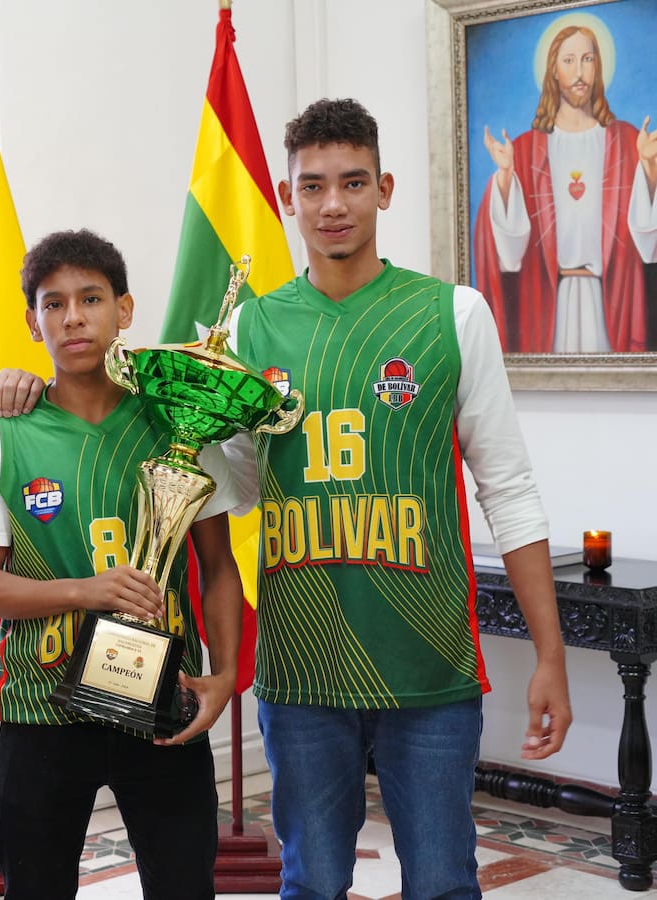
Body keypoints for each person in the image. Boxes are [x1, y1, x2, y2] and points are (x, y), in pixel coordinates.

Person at [226, 97, 572, 898]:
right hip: (301, 668)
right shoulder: (248, 332)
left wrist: (550, 654)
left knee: (443, 884)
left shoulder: (453, 314)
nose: (333, 204)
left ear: (384, 189)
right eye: (313, 186)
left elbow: (509, 491)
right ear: (286, 198)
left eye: (353, 182)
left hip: (429, 668)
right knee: (312, 884)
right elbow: (236, 490)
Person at [0, 228, 244, 900]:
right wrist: (85, 590)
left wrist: (226, 674)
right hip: (41, 709)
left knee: (183, 887)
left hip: (165, 697)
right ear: (33, 323)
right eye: (53, 304)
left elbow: (219, 567)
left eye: (90, 298)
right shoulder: (1, 438)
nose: (73, 318)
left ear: (125, 309)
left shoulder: (182, 425)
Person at [476, 23, 657, 352]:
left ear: (598, 67)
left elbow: (647, 242)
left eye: (587, 59)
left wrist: (649, 168)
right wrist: (505, 177)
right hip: (550, 306)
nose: (579, 72)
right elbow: (509, 253)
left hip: (612, 303)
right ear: (553, 71)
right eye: (569, 60)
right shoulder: (526, 151)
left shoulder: (627, 142)